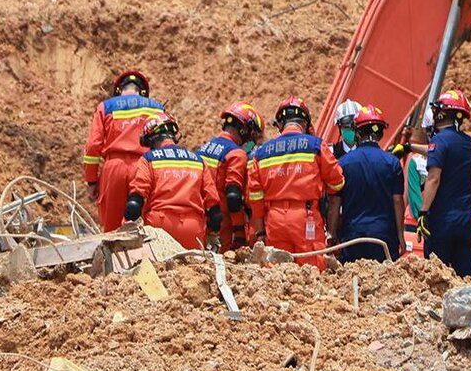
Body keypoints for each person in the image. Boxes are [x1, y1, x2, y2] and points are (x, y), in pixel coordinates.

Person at [247, 96, 345, 271]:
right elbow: (338, 183)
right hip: (306, 218)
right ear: (306, 123)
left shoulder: (261, 153)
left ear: (280, 124)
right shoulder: (315, 145)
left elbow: (255, 196)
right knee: (311, 273)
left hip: (274, 220)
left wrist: (261, 232)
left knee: (277, 275)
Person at [125, 113, 222, 249]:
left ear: (150, 139)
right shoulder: (199, 161)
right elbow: (215, 210)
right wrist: (212, 235)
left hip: (159, 229)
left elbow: (134, 205)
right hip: (193, 230)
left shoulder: (148, 159)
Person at [84, 70, 165, 232]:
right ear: (143, 92)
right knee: (143, 227)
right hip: (145, 169)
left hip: (114, 169)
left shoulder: (105, 107)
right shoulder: (156, 108)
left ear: (119, 90)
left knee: (112, 229)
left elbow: (93, 146)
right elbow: (164, 142)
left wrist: (91, 180)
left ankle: (113, 257)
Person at [328, 105, 405, 262]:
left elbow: (335, 202)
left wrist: (332, 235)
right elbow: (398, 201)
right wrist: (400, 236)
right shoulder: (392, 163)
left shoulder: (343, 164)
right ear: (381, 132)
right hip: (384, 237)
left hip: (353, 237)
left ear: (357, 132)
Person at [415, 90, 471, 281]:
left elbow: (434, 178)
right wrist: (411, 147)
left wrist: (423, 212)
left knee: (437, 276)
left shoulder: (438, 141)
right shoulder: (468, 143)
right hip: (466, 220)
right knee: (466, 276)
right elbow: (444, 151)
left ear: (441, 114)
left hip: (443, 221)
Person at [197, 101, 265, 252]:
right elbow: (233, 197)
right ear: (244, 130)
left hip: (201, 219)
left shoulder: (203, 149)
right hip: (223, 225)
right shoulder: (236, 154)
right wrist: (239, 232)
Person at [400, 128, 428, 257]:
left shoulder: (415, 161)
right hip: (419, 221)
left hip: (416, 219)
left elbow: (410, 193)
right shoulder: (416, 161)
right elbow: (410, 194)